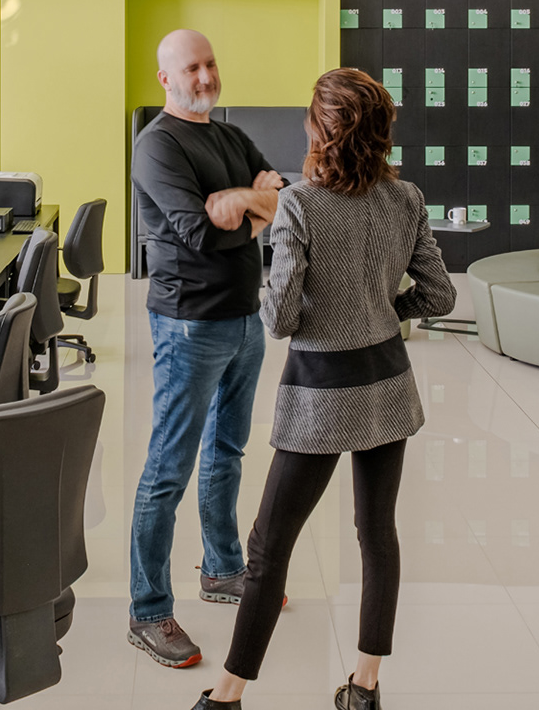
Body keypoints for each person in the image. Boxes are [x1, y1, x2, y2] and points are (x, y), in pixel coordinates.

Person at [193, 68, 454, 710]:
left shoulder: (301, 205)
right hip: (388, 387)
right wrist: (382, 312)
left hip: (319, 398)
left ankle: (226, 696)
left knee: (268, 548)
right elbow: (440, 295)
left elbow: (281, 319)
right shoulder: (407, 198)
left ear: (322, 131)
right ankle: (364, 688)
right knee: (377, 535)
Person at [128, 29, 284, 669]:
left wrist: (244, 202)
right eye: (191, 67)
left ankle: (221, 569)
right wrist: (254, 206)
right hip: (189, 325)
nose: (205, 76)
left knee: (228, 451)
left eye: (210, 63)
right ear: (165, 78)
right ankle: (148, 611)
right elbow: (197, 232)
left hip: (246, 319)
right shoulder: (157, 146)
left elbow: (278, 195)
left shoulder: (229, 135)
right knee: (168, 467)